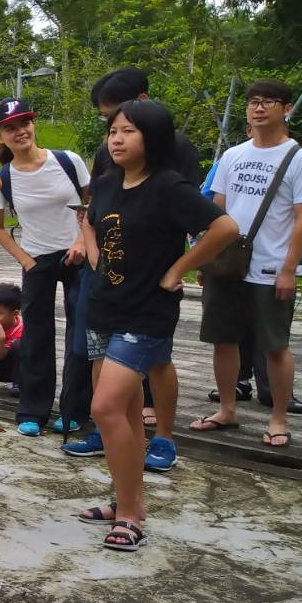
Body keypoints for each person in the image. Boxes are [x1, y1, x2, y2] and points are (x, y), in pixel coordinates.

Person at [76, 100, 236, 549]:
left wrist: (178, 269)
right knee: (124, 412)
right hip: (104, 306)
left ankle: (129, 515)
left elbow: (224, 228)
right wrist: (93, 258)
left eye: (128, 130)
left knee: (104, 408)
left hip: (146, 313)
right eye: (113, 131)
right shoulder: (106, 184)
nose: (117, 139)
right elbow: (89, 222)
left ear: (153, 137)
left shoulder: (169, 187)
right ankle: (129, 501)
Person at [64, 67, 201, 456]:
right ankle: (105, 430)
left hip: (150, 276)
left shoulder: (176, 152)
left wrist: (180, 267)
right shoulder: (107, 154)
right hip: (104, 271)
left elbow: (195, 216)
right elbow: (93, 212)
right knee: (97, 353)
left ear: (141, 103)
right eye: (109, 124)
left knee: (157, 359)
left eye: (118, 119)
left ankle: (164, 436)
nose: (114, 133)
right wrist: (87, 245)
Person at [191, 79, 302, 450]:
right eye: (254, 102)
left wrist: (289, 268)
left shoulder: (301, 158)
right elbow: (218, 208)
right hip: (229, 262)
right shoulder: (232, 156)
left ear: (287, 108)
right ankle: (227, 409)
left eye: (269, 102)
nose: (259, 108)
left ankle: (278, 416)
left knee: (274, 344)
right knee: (222, 339)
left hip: (272, 264)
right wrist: (206, 255)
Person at [0, 97, 91, 436]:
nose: (20, 131)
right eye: (10, 127)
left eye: (25, 123)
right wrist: (26, 260)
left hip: (78, 256)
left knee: (81, 334)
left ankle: (74, 409)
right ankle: (32, 410)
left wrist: (81, 241)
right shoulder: (3, 178)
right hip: (37, 261)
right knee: (37, 336)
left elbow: (93, 205)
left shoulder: (67, 161)